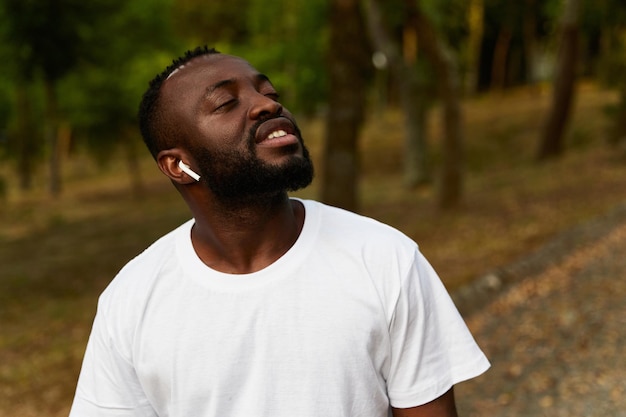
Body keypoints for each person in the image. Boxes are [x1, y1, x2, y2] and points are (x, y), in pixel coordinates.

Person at [69, 46, 489, 417]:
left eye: (268, 93)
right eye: (225, 103)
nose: (266, 105)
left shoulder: (384, 259)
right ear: (178, 166)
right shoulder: (131, 300)